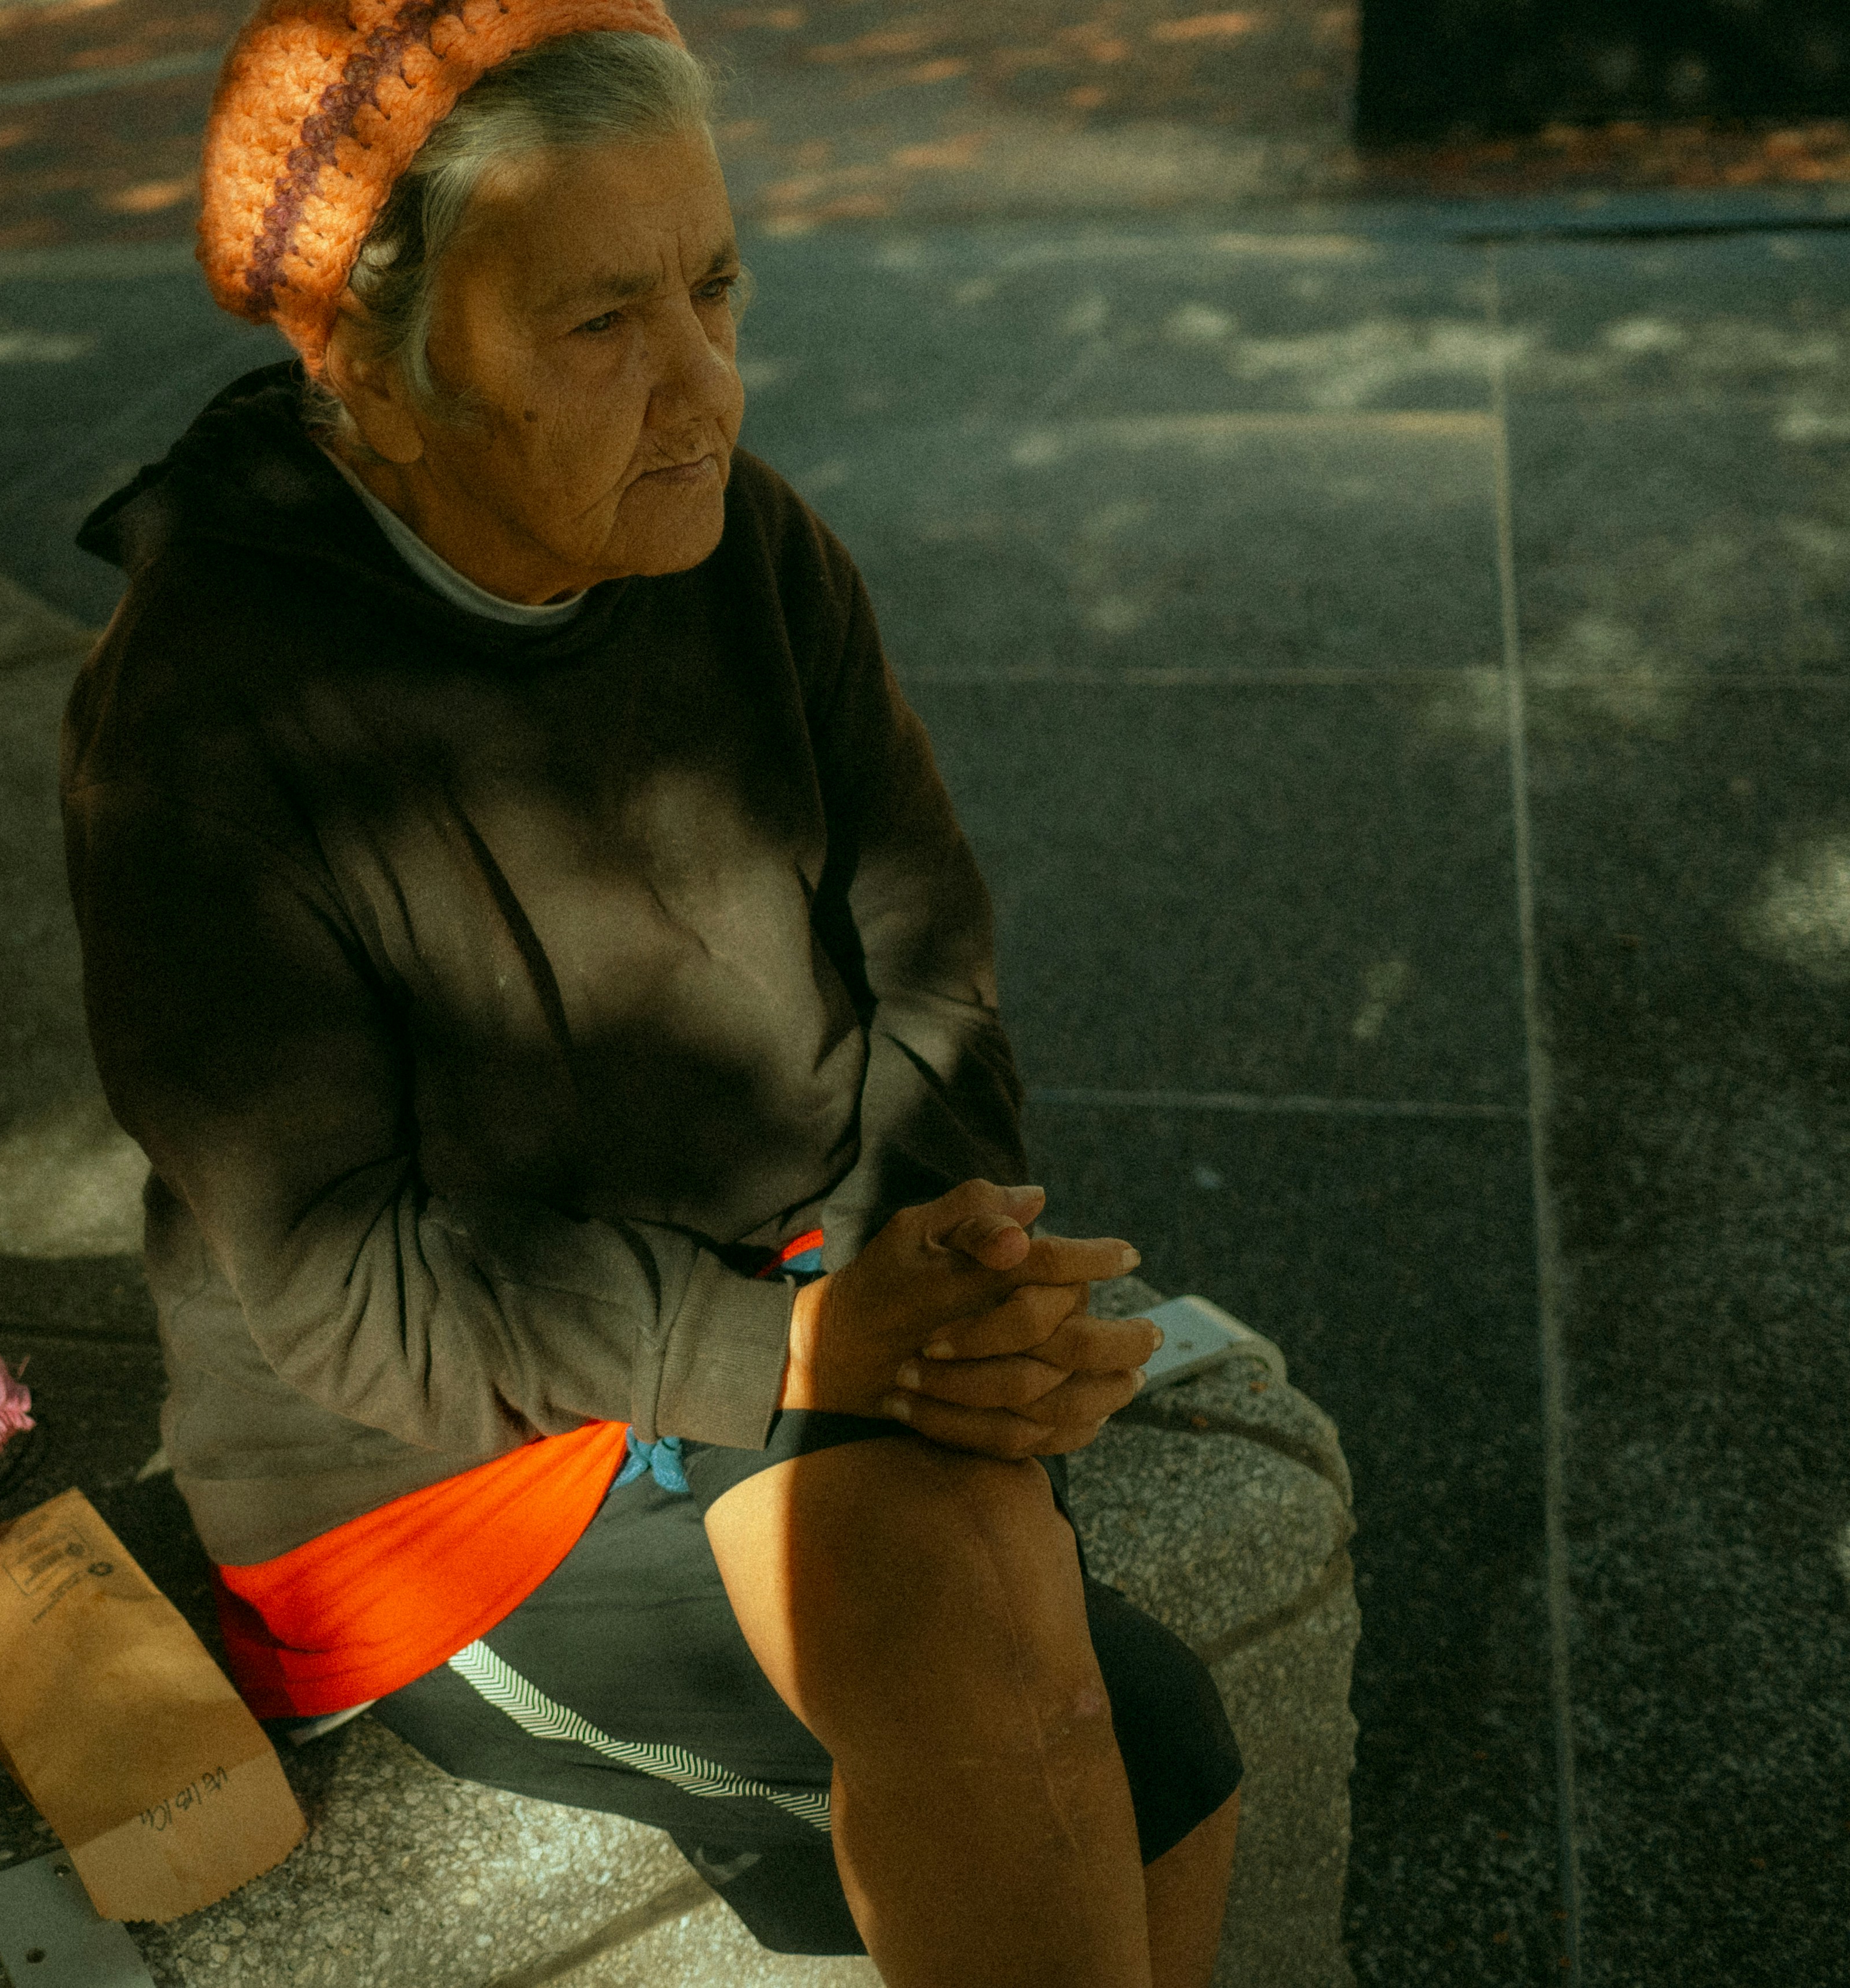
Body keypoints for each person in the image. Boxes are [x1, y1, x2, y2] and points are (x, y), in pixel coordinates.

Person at [62, 5, 1245, 1981]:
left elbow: (925, 969)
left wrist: (953, 1273)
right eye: (601, 323)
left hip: (788, 1298)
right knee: (1021, 1687)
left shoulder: (747, 548)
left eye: (715, 287)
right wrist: (796, 1351)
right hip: (443, 1476)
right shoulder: (206, 720)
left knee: (1139, 1733)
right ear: (377, 370)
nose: (704, 386)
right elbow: (345, 1289)